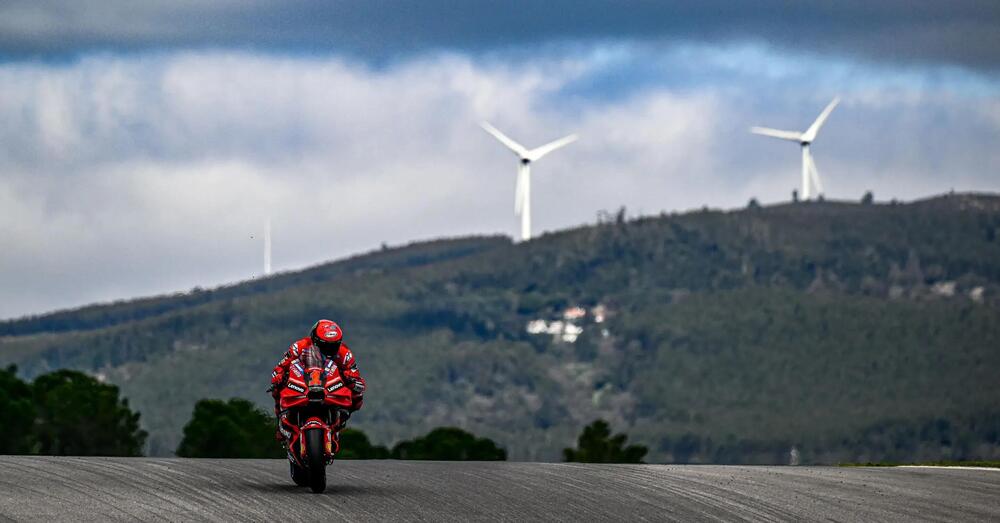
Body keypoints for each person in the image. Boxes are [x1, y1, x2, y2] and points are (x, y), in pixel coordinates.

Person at [270, 319, 366, 441]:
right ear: (314, 340)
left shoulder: (345, 353)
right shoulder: (299, 347)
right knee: (276, 388)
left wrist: (351, 380)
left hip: (330, 383)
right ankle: (280, 420)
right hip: (304, 380)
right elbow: (281, 366)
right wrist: (278, 377)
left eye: (334, 345)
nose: (329, 349)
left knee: (358, 395)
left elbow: (354, 373)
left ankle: (341, 418)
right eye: (324, 345)